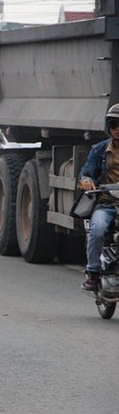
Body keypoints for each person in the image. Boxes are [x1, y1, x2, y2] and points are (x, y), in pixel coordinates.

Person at [78, 103, 119, 291]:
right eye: (113, 124)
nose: (117, 129)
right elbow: (85, 172)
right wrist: (86, 180)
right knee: (97, 229)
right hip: (106, 204)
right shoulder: (99, 150)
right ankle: (93, 273)